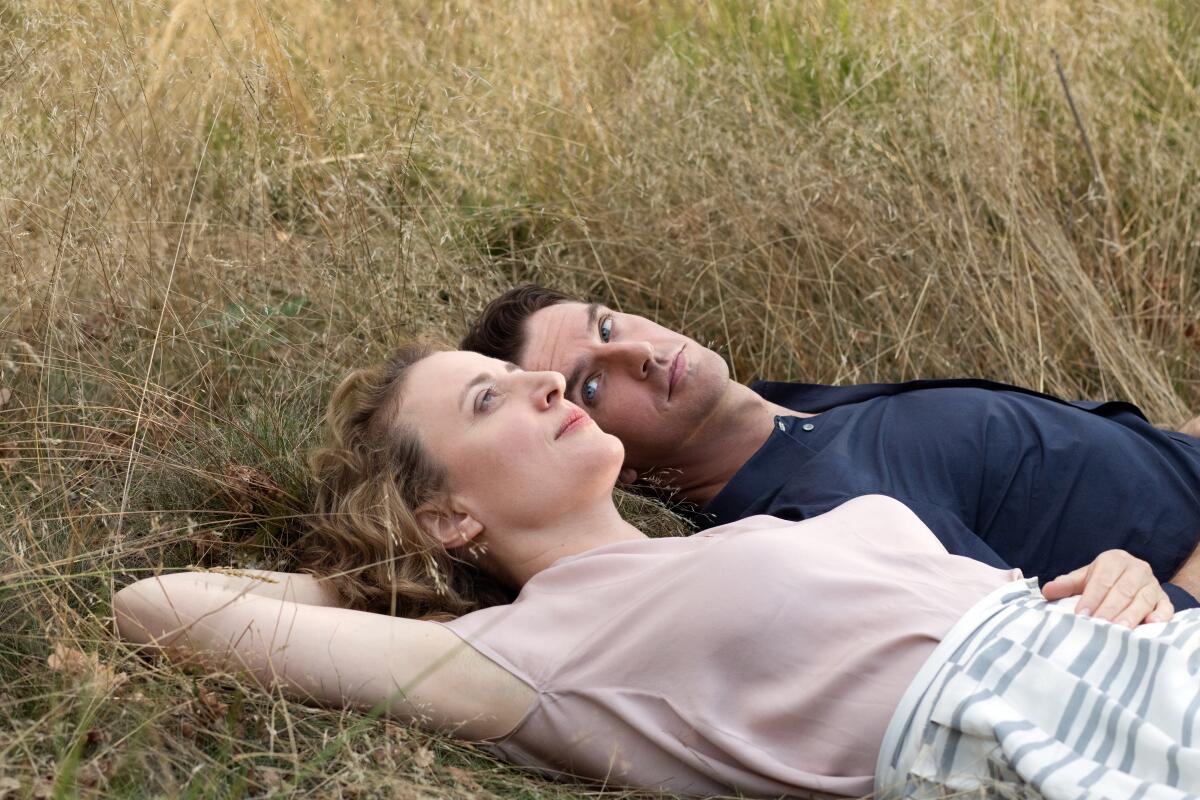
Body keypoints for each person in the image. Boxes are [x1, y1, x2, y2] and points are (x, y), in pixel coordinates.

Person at [115, 347, 1200, 798]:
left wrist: (1116, 572)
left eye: (520, 369)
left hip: (1149, 657)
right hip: (1064, 750)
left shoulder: (746, 530)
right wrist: (391, 578)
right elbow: (161, 605)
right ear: (449, 513)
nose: (543, 381)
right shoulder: (532, 649)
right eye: (488, 400)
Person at [460, 285, 1200, 611]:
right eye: (591, 388)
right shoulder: (827, 517)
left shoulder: (793, 411)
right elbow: (1087, 654)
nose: (638, 355)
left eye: (608, 326)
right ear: (603, 449)